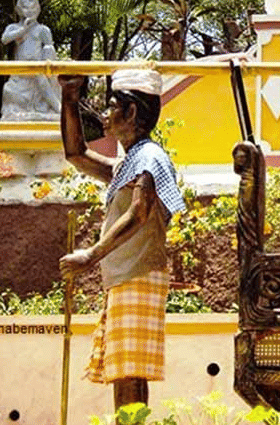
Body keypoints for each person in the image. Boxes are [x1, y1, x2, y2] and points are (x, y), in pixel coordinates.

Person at [58, 69, 185, 411]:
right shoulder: (130, 162)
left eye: (112, 105)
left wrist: (91, 255)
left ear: (131, 113)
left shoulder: (149, 158)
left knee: (129, 372)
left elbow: (139, 213)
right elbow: (76, 154)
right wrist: (69, 98)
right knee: (125, 371)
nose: (104, 114)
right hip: (128, 276)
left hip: (138, 274)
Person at [0, 0, 61, 121]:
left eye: (34, 8)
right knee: (8, 90)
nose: (31, 11)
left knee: (41, 77)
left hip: (39, 69)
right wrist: (23, 30)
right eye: (26, 8)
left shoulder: (42, 29)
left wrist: (48, 69)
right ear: (19, 10)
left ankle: (57, 107)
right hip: (21, 71)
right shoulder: (14, 28)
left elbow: (49, 50)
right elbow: (4, 39)